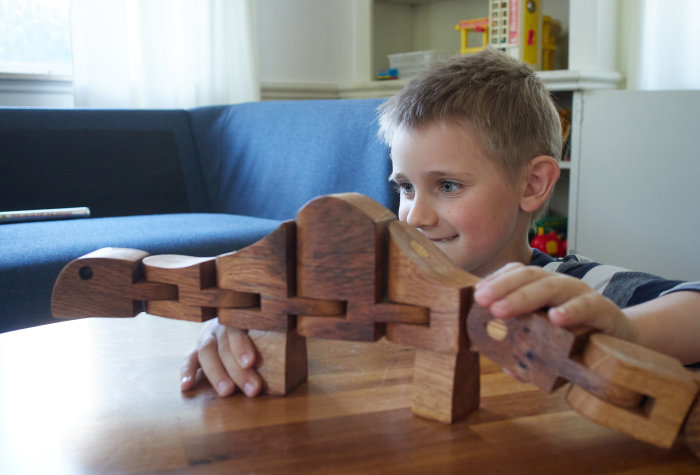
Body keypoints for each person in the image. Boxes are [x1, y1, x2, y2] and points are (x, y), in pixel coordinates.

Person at [180, 48, 700, 397]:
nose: (416, 215)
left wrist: (627, 330)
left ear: (533, 185)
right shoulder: (376, 282)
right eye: (405, 187)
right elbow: (275, 294)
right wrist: (235, 325)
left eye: (447, 186)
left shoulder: (573, 291)